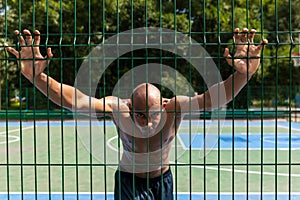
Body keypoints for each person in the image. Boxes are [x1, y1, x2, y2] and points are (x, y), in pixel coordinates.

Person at [6, 28, 267, 200]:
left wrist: (243, 75)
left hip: (161, 180)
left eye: (150, 114)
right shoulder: (119, 110)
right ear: (131, 107)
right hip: (128, 182)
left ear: (162, 106)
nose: (144, 121)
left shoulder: (173, 109)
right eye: (139, 114)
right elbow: (75, 100)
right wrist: (36, 77)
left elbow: (214, 99)